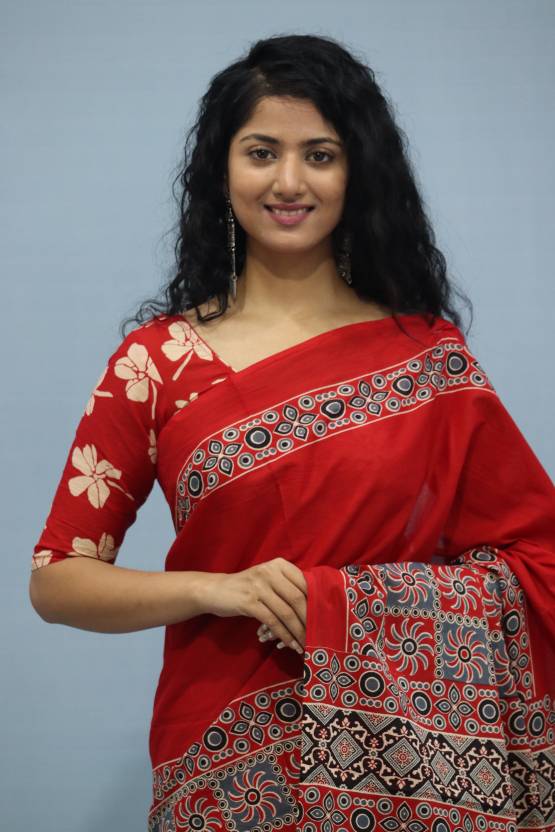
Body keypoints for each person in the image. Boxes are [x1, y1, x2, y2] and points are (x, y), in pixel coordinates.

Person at [29, 33, 554, 832]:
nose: (287, 181)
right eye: (260, 152)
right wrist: (217, 589)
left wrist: (352, 606)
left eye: (319, 155)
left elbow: (539, 565)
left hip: (402, 765)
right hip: (218, 763)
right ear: (221, 171)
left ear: (356, 173)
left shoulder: (426, 361)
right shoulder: (157, 364)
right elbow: (58, 580)